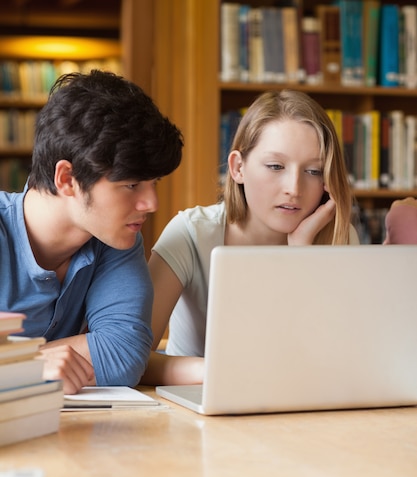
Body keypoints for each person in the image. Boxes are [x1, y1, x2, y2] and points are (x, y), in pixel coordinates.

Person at [141, 89, 359, 387]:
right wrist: (221, 372)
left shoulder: (339, 238)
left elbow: (343, 358)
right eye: (275, 166)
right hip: (199, 407)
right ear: (238, 167)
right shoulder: (190, 233)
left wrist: (302, 261)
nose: (294, 188)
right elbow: (132, 357)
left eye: (313, 170)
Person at [0, 69, 183, 394]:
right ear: (67, 178)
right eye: (131, 184)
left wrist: (13, 364)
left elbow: (125, 355)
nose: (151, 203)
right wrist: (31, 368)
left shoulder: (116, 238)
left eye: (153, 183)